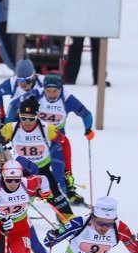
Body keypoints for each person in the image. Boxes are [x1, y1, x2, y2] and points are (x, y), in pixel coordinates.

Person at [10, 73, 94, 205]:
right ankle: (27, 192)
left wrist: (88, 128)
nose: (51, 94)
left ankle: (68, 191)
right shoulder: (36, 94)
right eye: (48, 90)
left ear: (60, 89)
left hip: (55, 138)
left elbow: (85, 113)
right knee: (29, 165)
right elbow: (14, 105)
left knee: (59, 166)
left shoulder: (67, 99)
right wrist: (11, 123)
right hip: (34, 136)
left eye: (55, 91)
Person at [0, 96, 73, 216]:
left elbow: (65, 143)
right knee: (11, 197)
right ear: (18, 115)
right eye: (23, 118)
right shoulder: (10, 128)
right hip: (19, 171)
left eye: (31, 119)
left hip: (41, 170)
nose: (27, 122)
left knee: (56, 197)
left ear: (37, 116)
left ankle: (68, 220)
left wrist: (67, 170)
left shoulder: (47, 128)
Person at [0, 58, 43, 124]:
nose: (23, 83)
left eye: (27, 80)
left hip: (39, 112)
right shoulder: (12, 83)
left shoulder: (43, 82)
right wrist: (2, 117)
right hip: (17, 111)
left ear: (34, 76)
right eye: (20, 80)